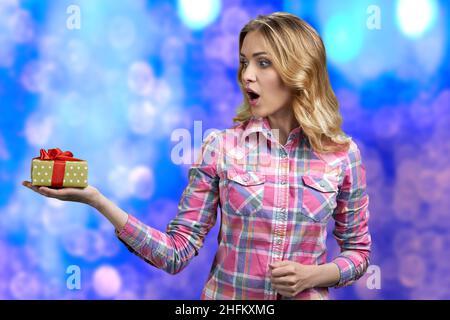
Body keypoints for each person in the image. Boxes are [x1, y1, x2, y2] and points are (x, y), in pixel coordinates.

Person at [23, 12, 371, 300]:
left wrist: (313, 276)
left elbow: (358, 253)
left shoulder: (343, 155)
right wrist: (97, 201)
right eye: (244, 62)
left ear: (300, 72)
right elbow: (176, 253)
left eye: (263, 63)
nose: (246, 75)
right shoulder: (220, 148)